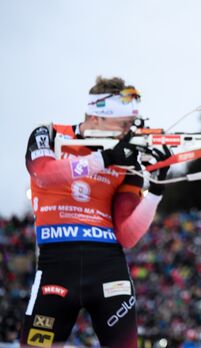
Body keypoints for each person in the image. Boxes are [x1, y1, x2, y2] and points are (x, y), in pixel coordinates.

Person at [21, 76, 170, 347]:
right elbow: (43, 174)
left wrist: (156, 192)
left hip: (108, 269)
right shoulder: (51, 134)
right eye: (123, 123)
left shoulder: (127, 158)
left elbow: (127, 235)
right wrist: (103, 159)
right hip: (57, 266)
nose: (129, 131)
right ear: (96, 117)